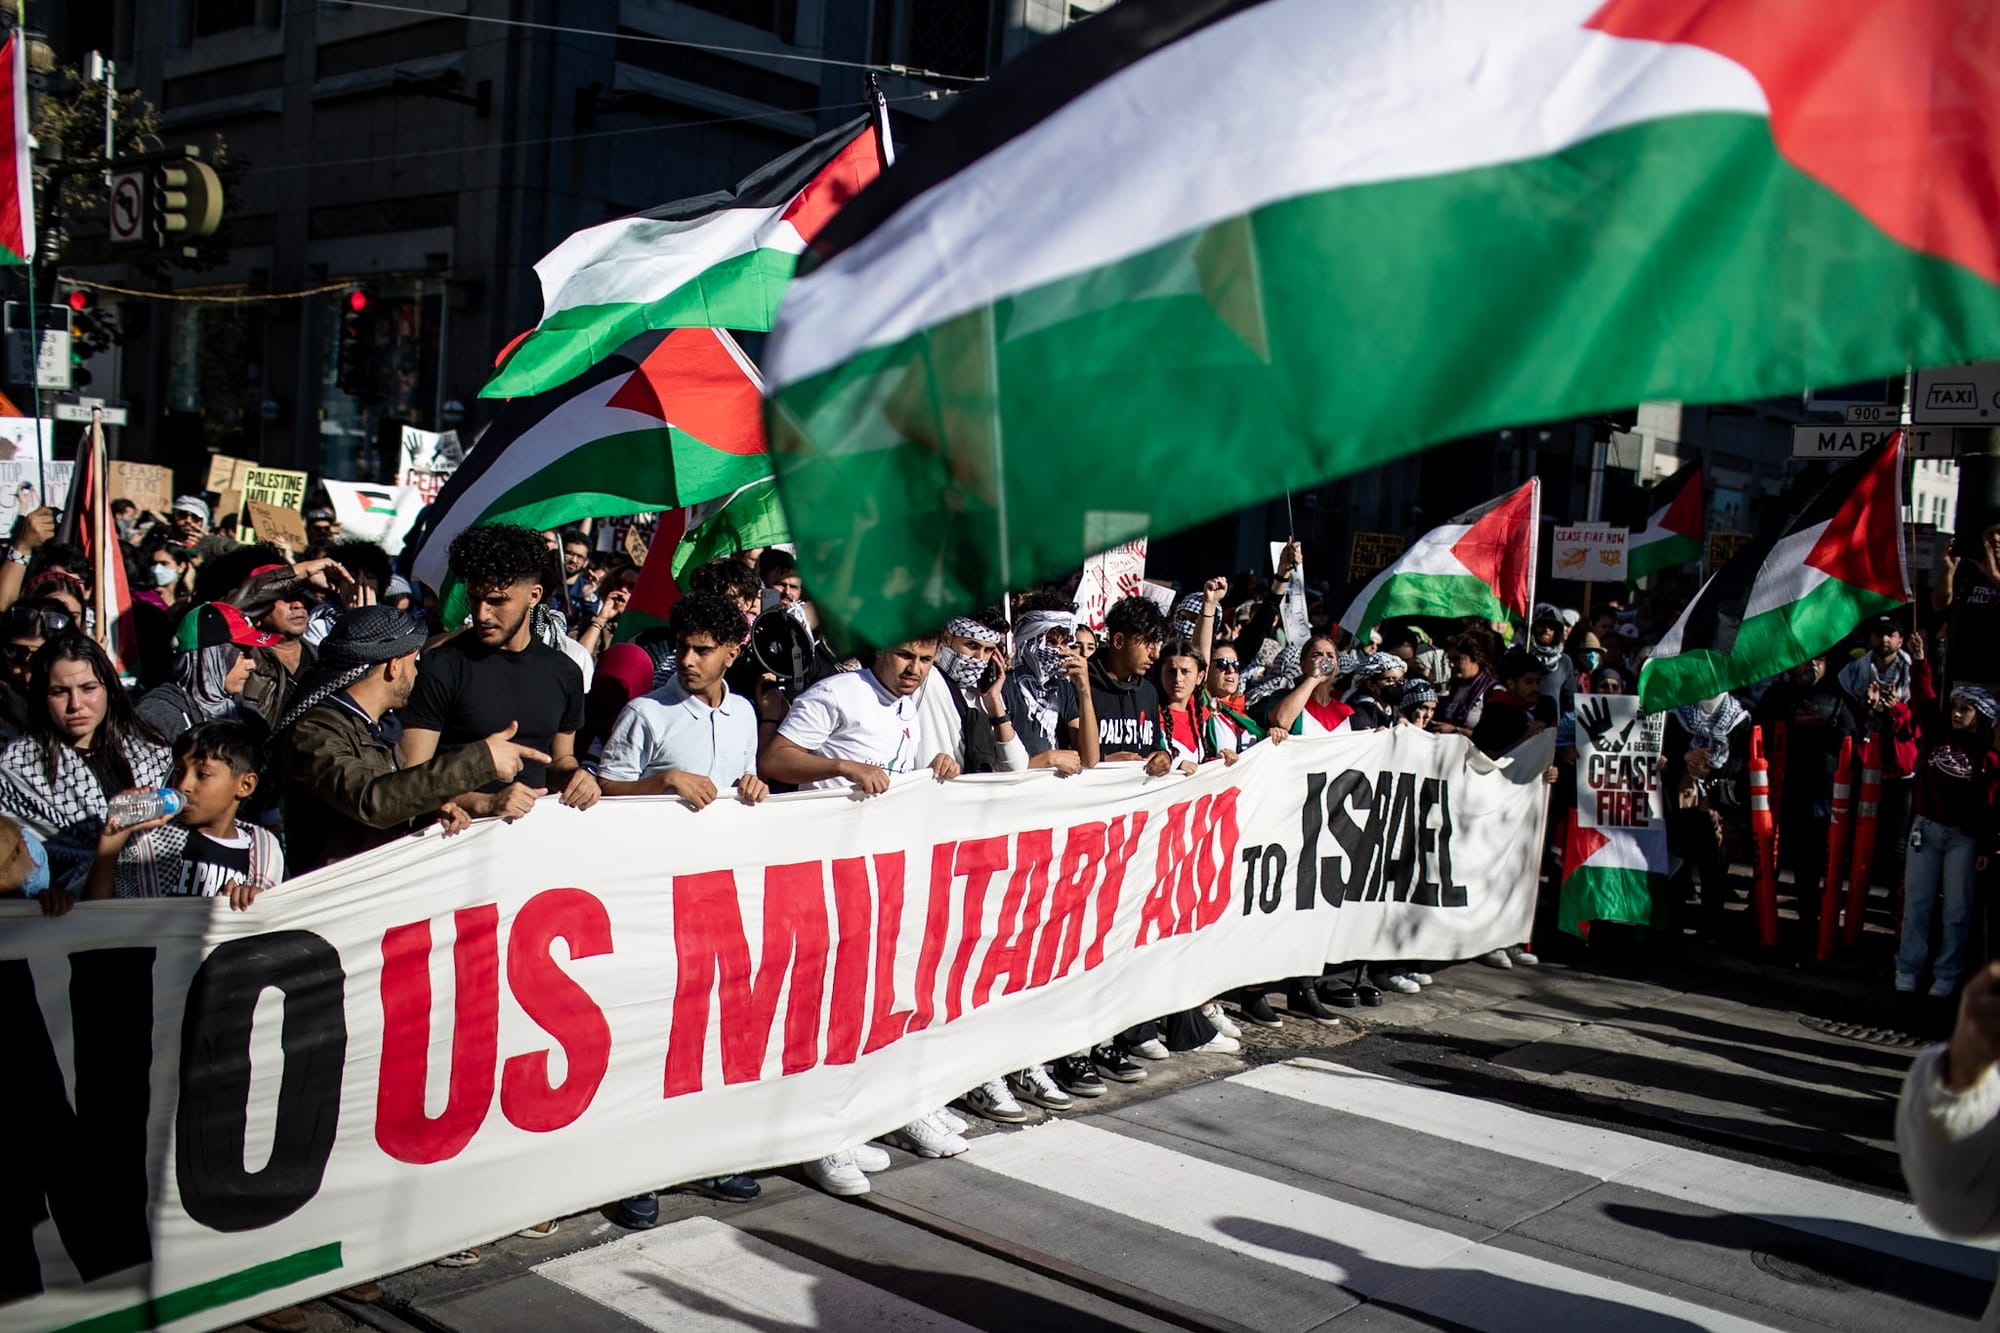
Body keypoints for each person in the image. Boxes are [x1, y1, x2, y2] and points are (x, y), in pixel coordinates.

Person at [757, 632, 967, 1192]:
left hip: (879, 872)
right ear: (878, 651)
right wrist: (846, 767)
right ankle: (820, 1140)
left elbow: (898, 772)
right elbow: (774, 758)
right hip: (821, 870)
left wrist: (936, 765)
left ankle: (880, 1111)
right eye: (905, 656)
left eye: (925, 660)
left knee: (880, 996)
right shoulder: (838, 693)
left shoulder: (911, 704)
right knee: (825, 1005)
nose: (915, 669)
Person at [273, 606, 545, 874]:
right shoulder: (315, 732)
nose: (417, 673)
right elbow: (371, 800)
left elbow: (395, 798)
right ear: (393, 666)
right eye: (414, 663)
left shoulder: (378, 727)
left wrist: (434, 811)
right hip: (335, 902)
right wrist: (480, 760)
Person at [400, 524, 599, 820]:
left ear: (534, 595)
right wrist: (485, 802)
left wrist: (578, 778)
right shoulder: (440, 667)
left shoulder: (566, 672)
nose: (481, 614)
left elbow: (560, 759)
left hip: (528, 845)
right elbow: (408, 781)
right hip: (450, 844)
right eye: (474, 598)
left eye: (496, 600)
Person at [0, 635, 182, 904]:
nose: (76, 705)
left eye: (88, 688)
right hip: (69, 920)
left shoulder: (151, 750)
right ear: (41, 695)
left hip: (159, 908)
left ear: (108, 687)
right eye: (59, 692)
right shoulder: (17, 768)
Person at [83, 719, 283, 907]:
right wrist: (113, 837)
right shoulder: (148, 840)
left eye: (202, 774)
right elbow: (100, 915)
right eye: (179, 771)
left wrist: (254, 903)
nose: (184, 785)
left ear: (245, 785)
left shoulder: (264, 850)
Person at [598, 593, 766, 807]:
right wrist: (665, 780)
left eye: (702, 651)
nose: (687, 660)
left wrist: (753, 784)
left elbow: (747, 775)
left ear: (731, 655)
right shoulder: (644, 713)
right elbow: (606, 789)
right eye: (682, 647)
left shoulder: (744, 712)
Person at [1893, 667, 1999, 997]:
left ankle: (1947, 976)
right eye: (1955, 706)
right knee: (1917, 905)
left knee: (1957, 911)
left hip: (1962, 840)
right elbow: (1924, 700)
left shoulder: (1989, 759)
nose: (1956, 713)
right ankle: (1907, 970)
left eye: (1965, 709)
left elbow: (1992, 809)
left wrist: (1986, 847)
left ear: (1980, 716)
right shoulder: (1939, 736)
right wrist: (1922, 661)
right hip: (1925, 831)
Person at [1755, 654, 1862, 934]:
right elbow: (1759, 730)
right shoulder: (1778, 695)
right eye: (1806, 660)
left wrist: (1824, 728)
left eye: (1821, 660)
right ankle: (1760, 910)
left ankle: (1808, 916)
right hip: (1781, 787)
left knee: (1812, 856)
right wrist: (1791, 722)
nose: (1813, 665)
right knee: (1769, 851)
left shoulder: (1836, 697)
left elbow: (1852, 740)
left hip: (1821, 790)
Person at [1663, 692, 1754, 939]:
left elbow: (1740, 762)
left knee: (1714, 867)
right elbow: (1664, 750)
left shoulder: (1739, 717)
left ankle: (1709, 930)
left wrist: (1712, 770)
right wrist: (1685, 759)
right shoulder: (1679, 711)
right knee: (1678, 863)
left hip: (1716, 803)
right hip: (1682, 796)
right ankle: (1672, 927)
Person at [137, 602, 277, 744]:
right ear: (210, 659)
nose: (252, 665)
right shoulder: (157, 715)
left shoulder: (247, 715)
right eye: (243, 655)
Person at [919, 613, 1030, 775]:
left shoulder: (984, 693)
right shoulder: (926, 679)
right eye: (972, 645)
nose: (979, 658)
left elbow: (1016, 767)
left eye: (988, 650)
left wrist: (995, 705)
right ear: (946, 638)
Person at [231, 564, 325, 729]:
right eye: (285, 598)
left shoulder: (324, 659)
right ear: (257, 609)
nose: (297, 605)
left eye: (300, 597)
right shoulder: (239, 658)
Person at [1001, 599, 1088, 771]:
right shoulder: (1004, 687)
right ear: (1026, 640)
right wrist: (1049, 759)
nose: (1059, 651)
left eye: (1064, 643)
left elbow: (1088, 759)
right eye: (1050, 642)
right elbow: (1001, 766)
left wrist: (1085, 691)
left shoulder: (1063, 688)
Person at [1933, 522, 2000, 691]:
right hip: (1965, 665)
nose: (1995, 538)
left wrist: (1993, 576)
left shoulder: (1991, 572)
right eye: (1990, 533)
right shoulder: (1970, 568)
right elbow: (1939, 604)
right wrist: (1949, 569)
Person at [1262, 638, 1354, 737]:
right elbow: (1281, 722)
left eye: (1330, 656)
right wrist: (1314, 678)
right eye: (1317, 655)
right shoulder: (1283, 697)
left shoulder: (1345, 713)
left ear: (1337, 668)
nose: (1324, 660)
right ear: (1303, 666)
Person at [1433, 628, 1501, 737]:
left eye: (1457, 659)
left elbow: (1493, 738)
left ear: (1477, 658)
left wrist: (1456, 730)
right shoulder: (1452, 687)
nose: (1451, 664)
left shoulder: (1493, 691)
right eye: (1449, 659)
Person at [1345, 651, 1407, 731]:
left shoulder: (1395, 712)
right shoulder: (1361, 712)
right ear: (1371, 685)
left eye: (1400, 681)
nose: (1396, 685)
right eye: (1390, 680)